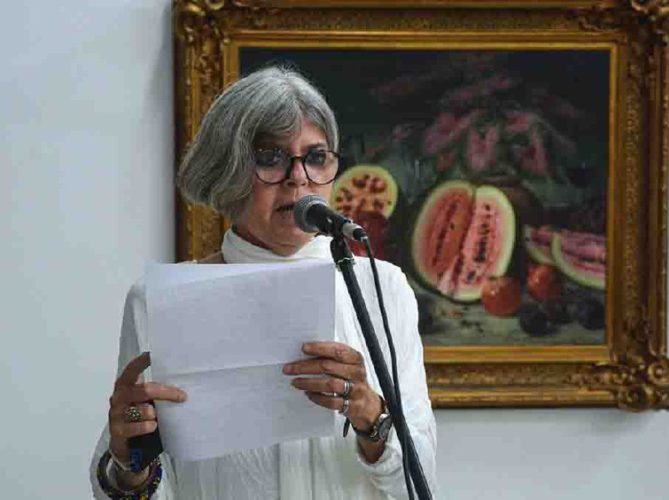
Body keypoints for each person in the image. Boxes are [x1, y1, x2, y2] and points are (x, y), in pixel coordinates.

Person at [90, 66, 437, 499]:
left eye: (315, 157)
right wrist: (130, 465)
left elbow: (421, 483)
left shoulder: (383, 289)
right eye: (270, 157)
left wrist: (372, 415)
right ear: (227, 172)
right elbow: (129, 482)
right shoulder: (158, 301)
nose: (298, 177)